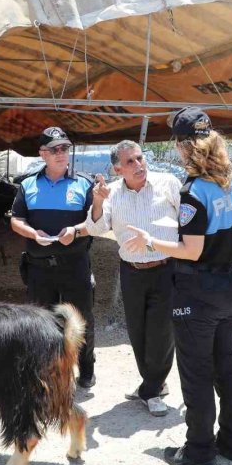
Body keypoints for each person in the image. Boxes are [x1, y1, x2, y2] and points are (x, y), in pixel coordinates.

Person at [125, 107, 232, 465]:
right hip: (229, 285)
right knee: (228, 367)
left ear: (183, 148)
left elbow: (190, 250)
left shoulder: (193, 191)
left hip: (198, 292)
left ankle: (199, 450)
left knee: (196, 372)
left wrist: (152, 240)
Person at [85, 140, 181, 416]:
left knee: (162, 332)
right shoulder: (112, 193)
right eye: (130, 162)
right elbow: (95, 227)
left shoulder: (168, 184)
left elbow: (187, 224)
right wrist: (98, 201)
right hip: (131, 272)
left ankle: (152, 389)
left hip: (166, 269)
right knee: (137, 332)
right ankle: (152, 385)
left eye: (140, 158)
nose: (139, 165)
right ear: (117, 169)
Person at [10, 127, 97, 387]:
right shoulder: (27, 184)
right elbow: (16, 220)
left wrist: (76, 231)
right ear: (42, 154)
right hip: (39, 268)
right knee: (40, 321)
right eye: (55, 149)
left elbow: (96, 222)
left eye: (65, 148)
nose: (61, 154)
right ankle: (44, 370)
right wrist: (32, 234)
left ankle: (87, 368)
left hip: (75, 266)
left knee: (81, 320)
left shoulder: (84, 183)